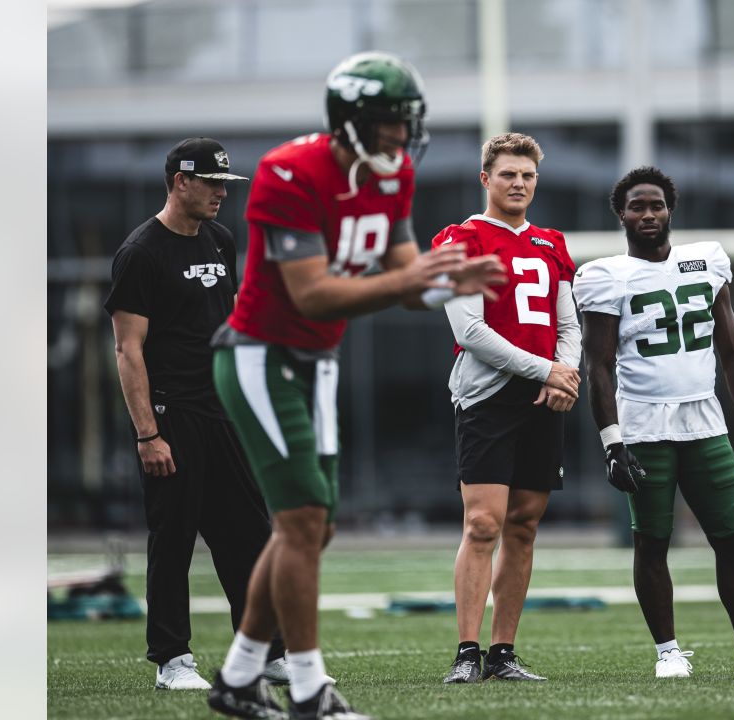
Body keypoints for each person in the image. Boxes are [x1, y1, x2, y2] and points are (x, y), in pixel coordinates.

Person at [204, 52, 505, 720]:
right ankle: (309, 689)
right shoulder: (290, 172)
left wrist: (441, 287)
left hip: (318, 362)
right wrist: (418, 278)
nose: (403, 137)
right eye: (391, 123)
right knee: (303, 518)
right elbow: (312, 295)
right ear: (352, 123)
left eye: (407, 122)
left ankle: (238, 676)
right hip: (261, 355)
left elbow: (404, 276)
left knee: (314, 526)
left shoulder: (388, 173)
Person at [576, 166, 734, 679]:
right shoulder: (605, 275)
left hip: (704, 420)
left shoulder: (706, 261)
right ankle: (668, 653)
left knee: (732, 535)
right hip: (644, 426)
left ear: (670, 209)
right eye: (637, 206)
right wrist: (612, 443)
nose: (648, 214)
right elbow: (599, 366)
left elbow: (731, 349)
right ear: (622, 214)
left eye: (656, 205)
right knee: (652, 541)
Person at [104, 137, 288, 692]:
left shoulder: (219, 239)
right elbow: (127, 350)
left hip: (220, 412)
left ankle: (264, 651)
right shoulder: (141, 252)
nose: (219, 195)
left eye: (224, 186)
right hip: (170, 416)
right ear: (180, 182)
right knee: (174, 537)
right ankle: (172, 661)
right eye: (210, 184)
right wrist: (148, 434)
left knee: (249, 537)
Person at [434, 133, 581, 684]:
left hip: (544, 396)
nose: (519, 184)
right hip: (489, 396)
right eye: (508, 175)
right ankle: (467, 651)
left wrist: (564, 375)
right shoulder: (460, 239)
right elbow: (468, 329)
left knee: (524, 525)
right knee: (482, 523)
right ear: (486, 179)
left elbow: (568, 326)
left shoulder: (552, 242)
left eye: (527, 175)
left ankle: (503, 653)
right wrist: (547, 369)